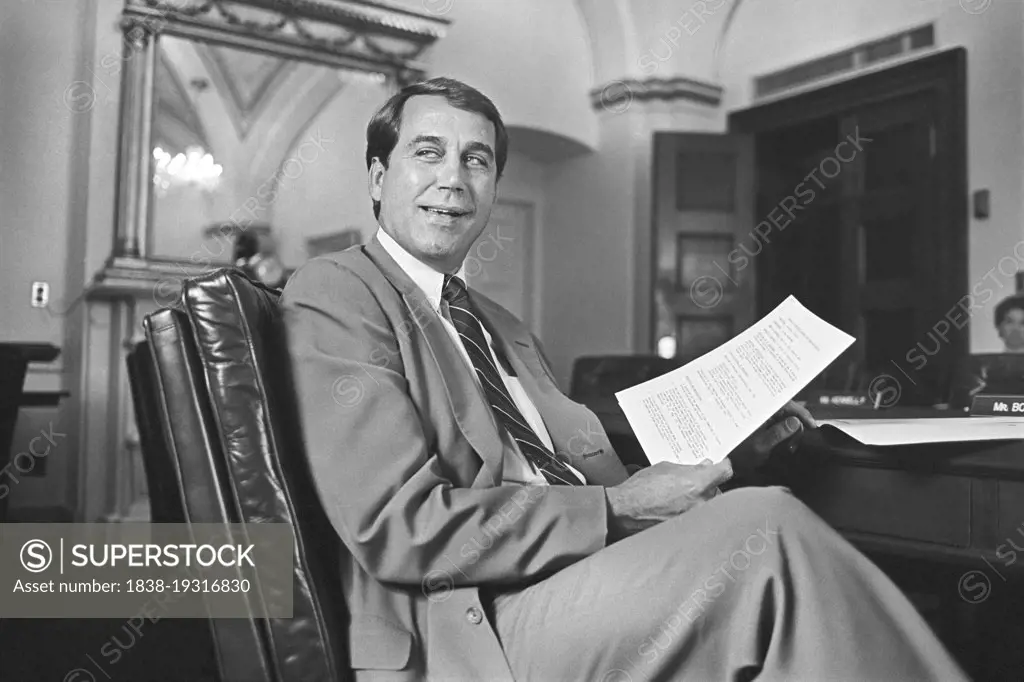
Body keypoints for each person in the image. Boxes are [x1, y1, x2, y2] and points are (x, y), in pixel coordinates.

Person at [281, 77, 966, 681]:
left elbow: (566, 477)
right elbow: (399, 528)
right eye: (427, 153)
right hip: (469, 620)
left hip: (574, 574)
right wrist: (617, 509)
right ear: (377, 177)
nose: (453, 178)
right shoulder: (337, 290)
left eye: (477, 159)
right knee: (770, 530)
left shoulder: (498, 322)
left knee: (768, 522)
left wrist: (724, 455)